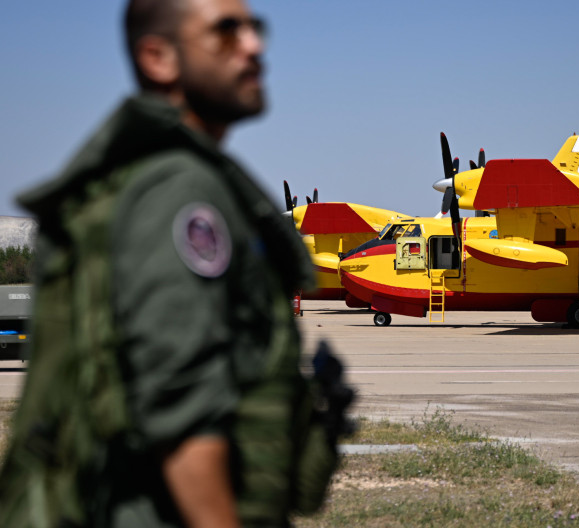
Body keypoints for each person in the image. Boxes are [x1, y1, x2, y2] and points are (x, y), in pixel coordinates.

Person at [0, 0, 350, 526]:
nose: (254, 45)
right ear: (158, 58)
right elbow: (181, 416)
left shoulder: (142, 178)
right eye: (226, 32)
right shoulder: (182, 191)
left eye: (254, 28)